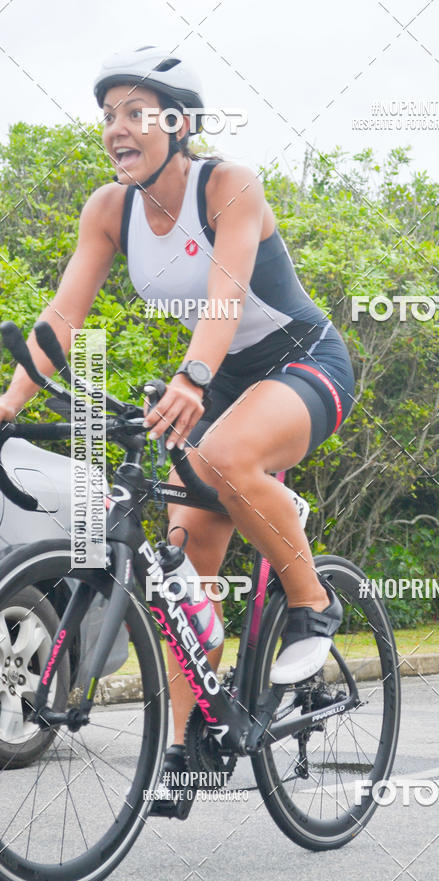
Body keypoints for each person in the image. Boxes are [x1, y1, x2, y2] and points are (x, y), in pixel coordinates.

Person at [0, 45, 355, 816]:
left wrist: (193, 379)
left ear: (180, 124)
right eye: (108, 116)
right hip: (225, 376)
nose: (116, 129)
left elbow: (226, 295)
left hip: (303, 362)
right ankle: (193, 745)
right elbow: (61, 319)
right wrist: (6, 406)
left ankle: (311, 599)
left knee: (224, 454)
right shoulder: (108, 208)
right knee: (186, 561)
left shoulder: (229, 185)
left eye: (135, 114)